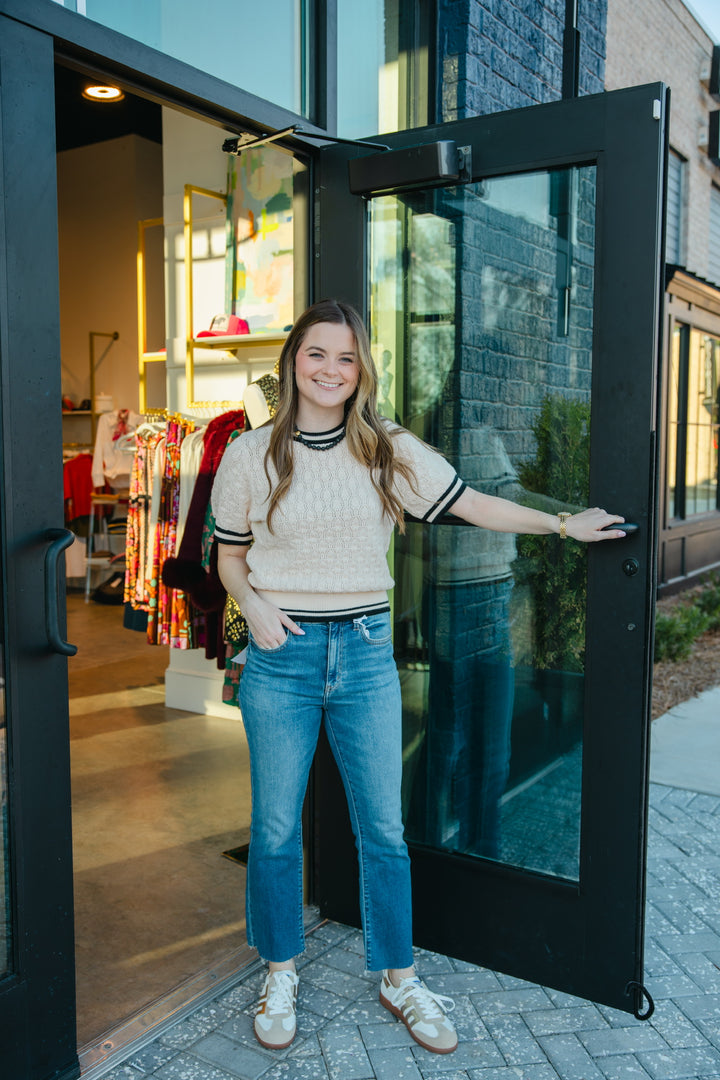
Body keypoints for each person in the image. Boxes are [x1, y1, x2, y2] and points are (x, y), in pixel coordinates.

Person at [211, 298, 626, 1056]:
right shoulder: (249, 453)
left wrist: (563, 523)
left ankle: (398, 976)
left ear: (361, 369)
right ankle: (280, 971)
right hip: (282, 655)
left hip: (366, 653)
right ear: (293, 360)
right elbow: (229, 556)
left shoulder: (386, 448)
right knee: (274, 830)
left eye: (346, 357)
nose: (330, 369)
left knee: (384, 829)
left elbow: (472, 503)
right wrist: (253, 606)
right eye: (316, 353)